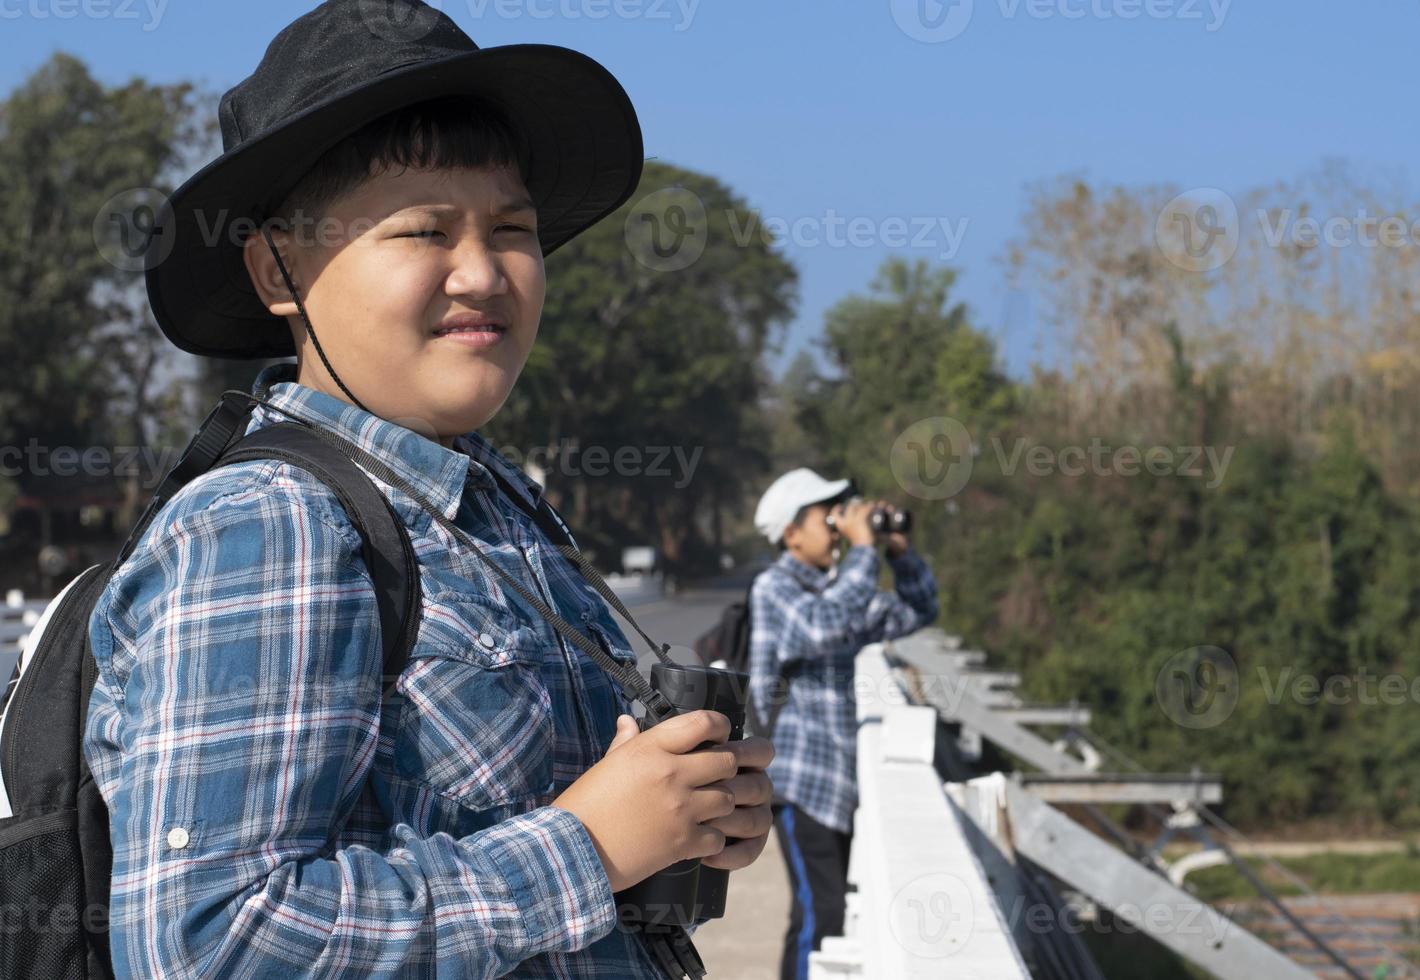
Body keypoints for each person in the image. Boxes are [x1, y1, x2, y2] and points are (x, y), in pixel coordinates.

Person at [82, 2, 773, 976]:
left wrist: (677, 821)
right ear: (278, 266)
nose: (484, 272)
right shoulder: (271, 525)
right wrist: (587, 846)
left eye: (512, 228)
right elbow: (208, 942)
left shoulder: (502, 510)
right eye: (423, 230)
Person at [748, 468, 940, 980]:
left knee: (822, 914)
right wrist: (861, 551)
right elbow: (821, 625)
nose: (837, 527)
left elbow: (920, 609)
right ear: (791, 534)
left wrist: (897, 552)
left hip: (838, 784)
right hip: (799, 782)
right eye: (826, 516)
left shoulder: (842, 590)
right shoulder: (775, 589)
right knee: (820, 916)